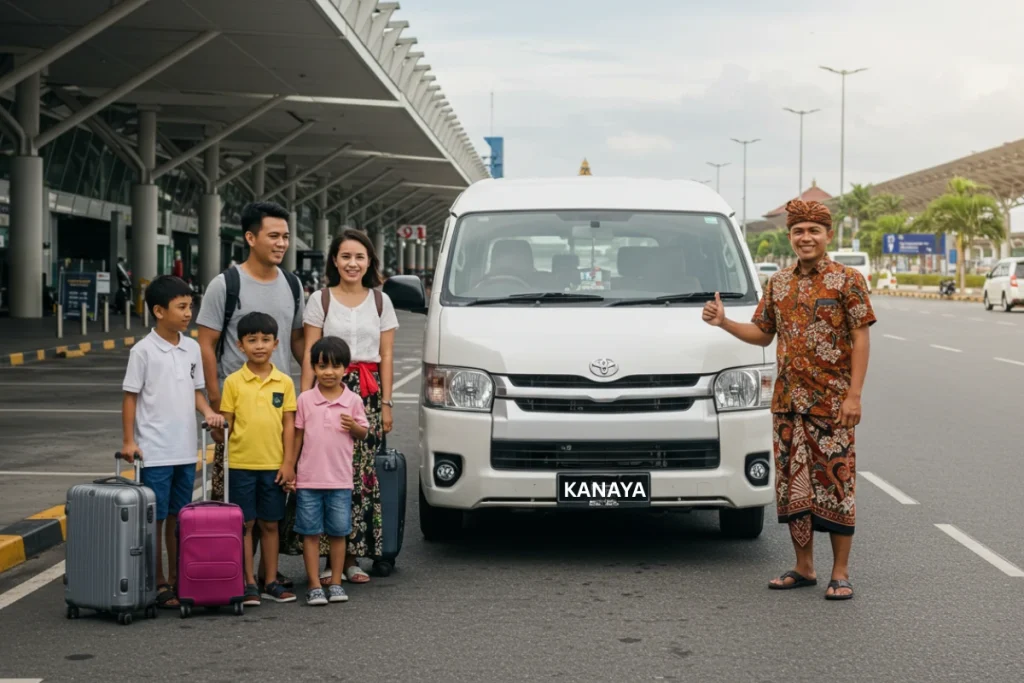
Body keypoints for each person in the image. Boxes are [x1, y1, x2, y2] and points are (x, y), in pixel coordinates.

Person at [702, 199, 875, 600]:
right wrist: (724, 321)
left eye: (814, 230)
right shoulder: (778, 283)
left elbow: (861, 337)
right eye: (798, 231)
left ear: (827, 235)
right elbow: (763, 334)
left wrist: (854, 395)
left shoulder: (847, 280)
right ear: (790, 236)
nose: (806, 237)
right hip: (787, 405)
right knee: (792, 486)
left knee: (836, 483)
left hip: (832, 404)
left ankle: (841, 573)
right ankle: (804, 567)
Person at [196, 201, 305, 590]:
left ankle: (266, 574)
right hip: (235, 409)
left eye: (285, 236)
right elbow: (206, 344)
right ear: (250, 237)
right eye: (273, 236)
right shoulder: (225, 284)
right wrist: (215, 403)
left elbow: (295, 343)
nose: (281, 243)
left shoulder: (293, 285)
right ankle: (238, 576)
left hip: (278, 408)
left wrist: (312, 390)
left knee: (272, 496)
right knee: (236, 505)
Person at [297, 228, 399, 584]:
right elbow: (311, 355)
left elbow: (386, 354)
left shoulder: (381, 302)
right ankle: (328, 561)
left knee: (359, 476)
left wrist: (385, 403)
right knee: (323, 472)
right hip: (326, 391)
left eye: (359, 257)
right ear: (334, 261)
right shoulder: (320, 300)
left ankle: (353, 558)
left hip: (366, 395)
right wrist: (304, 401)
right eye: (345, 257)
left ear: (369, 261)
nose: (352, 263)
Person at [120, 275, 224, 609]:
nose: (187, 313)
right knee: (155, 518)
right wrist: (128, 440)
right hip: (154, 452)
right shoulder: (143, 352)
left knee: (181, 517)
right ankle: (158, 580)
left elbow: (195, 391)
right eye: (181, 307)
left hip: (184, 449)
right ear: (159, 311)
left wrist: (208, 412)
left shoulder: (191, 347)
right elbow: (130, 398)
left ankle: (180, 578)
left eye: (190, 306)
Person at [282, 336, 369, 606]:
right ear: (313, 369)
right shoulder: (306, 400)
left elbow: (364, 432)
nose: (328, 372)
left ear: (346, 368)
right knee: (310, 533)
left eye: (335, 366)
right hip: (309, 480)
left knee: (338, 532)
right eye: (321, 367)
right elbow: (297, 436)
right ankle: (314, 584)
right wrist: (291, 468)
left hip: (340, 481)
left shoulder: (353, 400)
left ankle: (335, 583)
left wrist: (353, 427)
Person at [219, 311, 298, 605]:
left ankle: (271, 581)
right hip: (240, 464)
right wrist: (217, 429)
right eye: (252, 340)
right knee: (244, 524)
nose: (259, 345)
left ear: (276, 343)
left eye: (266, 340)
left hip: (273, 466)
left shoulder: (284, 383)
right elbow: (226, 423)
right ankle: (247, 581)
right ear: (241, 346)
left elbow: (289, 425)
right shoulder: (233, 383)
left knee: (271, 524)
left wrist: (288, 463)